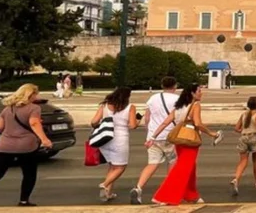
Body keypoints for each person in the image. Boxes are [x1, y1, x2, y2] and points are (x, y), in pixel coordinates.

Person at [148, 83, 224, 205]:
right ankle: (164, 196)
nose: (201, 93)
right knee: (182, 169)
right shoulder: (196, 105)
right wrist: (212, 133)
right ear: (192, 93)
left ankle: (191, 195)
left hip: (180, 140)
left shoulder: (179, 106)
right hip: (190, 140)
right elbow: (198, 124)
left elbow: (164, 123)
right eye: (199, 91)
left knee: (190, 168)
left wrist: (153, 137)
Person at [0, 84, 52, 207]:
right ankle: (24, 200)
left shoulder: (8, 108)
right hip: (26, 147)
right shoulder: (34, 108)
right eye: (36, 93)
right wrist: (44, 139)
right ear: (30, 95)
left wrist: (11, 132)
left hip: (4, 145)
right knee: (29, 174)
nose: (38, 96)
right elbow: (34, 123)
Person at [130, 77, 178, 205]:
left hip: (154, 136)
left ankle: (138, 187)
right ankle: (168, 192)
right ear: (175, 85)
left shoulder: (153, 98)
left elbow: (147, 117)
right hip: (170, 135)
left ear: (162, 85)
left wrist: (150, 134)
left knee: (152, 164)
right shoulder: (177, 99)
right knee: (172, 163)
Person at [91, 87, 140, 201]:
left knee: (113, 166)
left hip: (105, 138)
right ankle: (105, 184)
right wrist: (138, 121)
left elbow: (94, 121)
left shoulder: (105, 105)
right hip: (120, 139)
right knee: (121, 167)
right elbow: (132, 126)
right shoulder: (130, 107)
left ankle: (107, 193)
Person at [231, 96, 256, 195]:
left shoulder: (244, 114)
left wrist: (244, 131)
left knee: (243, 161)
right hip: (254, 137)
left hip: (243, 137)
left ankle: (236, 178)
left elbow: (236, 128)